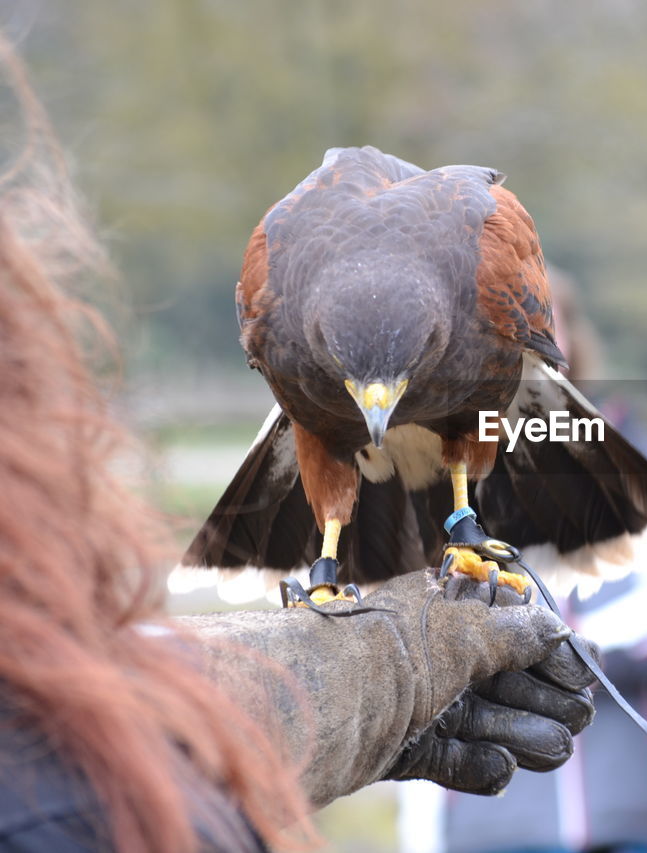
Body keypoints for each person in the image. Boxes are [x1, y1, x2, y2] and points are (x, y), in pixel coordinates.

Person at [0, 38, 594, 853]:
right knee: (327, 448)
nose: (377, 411)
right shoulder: (274, 273)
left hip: (471, 413)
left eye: (387, 389)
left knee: (463, 442)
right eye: (363, 388)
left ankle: (460, 528)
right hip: (319, 440)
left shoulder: (488, 253)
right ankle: (327, 565)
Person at [416, 269, 647, 853]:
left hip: (618, 809)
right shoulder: (437, 475)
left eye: (543, 326)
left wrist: (566, 647)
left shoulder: (631, 456)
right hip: (491, 814)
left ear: (571, 338)